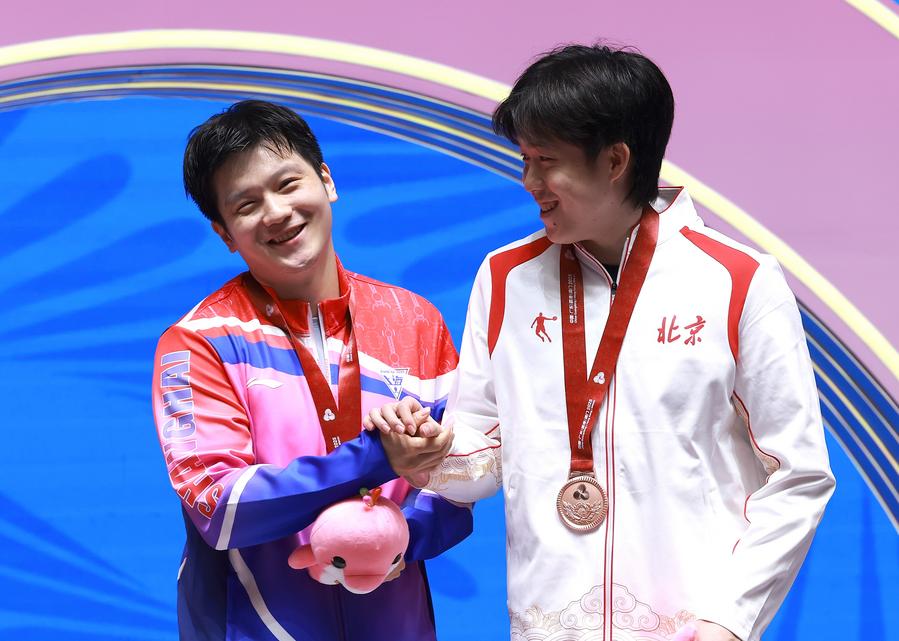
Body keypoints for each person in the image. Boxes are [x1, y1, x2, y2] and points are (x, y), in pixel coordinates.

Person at [365, 44, 835, 641]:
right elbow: (486, 454)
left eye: (546, 161)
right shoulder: (505, 277)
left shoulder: (739, 280)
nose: (530, 182)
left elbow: (798, 476)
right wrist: (429, 455)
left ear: (615, 160)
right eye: (525, 159)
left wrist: (730, 620)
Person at [152, 100, 471, 641]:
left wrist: (392, 541)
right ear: (225, 233)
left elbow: (459, 479)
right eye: (247, 204)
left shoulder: (415, 321)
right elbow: (221, 509)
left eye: (287, 184)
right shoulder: (199, 342)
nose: (276, 212)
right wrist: (377, 458)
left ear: (326, 180)